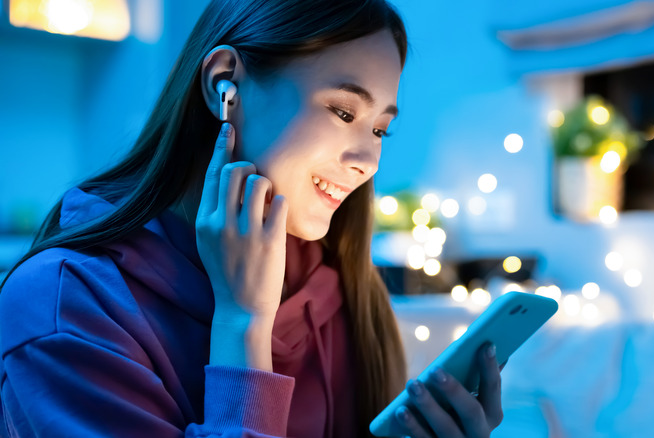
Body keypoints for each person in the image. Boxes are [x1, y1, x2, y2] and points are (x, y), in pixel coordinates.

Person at [0, 0, 504, 436]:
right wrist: (243, 325)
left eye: (380, 130)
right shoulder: (59, 310)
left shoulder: (339, 287)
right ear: (226, 87)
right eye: (345, 113)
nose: (368, 162)